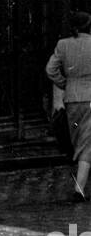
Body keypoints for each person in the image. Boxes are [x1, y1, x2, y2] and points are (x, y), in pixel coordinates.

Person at [45, 10, 91, 203]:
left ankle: (80, 184)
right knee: (86, 143)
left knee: (80, 140)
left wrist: (66, 84)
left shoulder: (63, 44)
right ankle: (79, 188)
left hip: (72, 98)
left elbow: (50, 70)